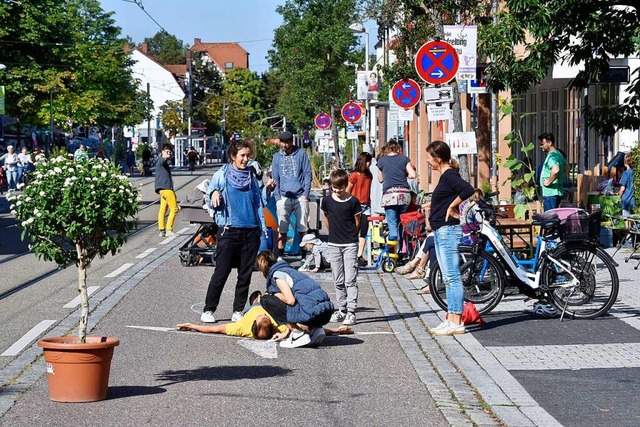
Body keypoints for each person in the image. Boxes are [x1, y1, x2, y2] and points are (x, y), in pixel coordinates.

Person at [201, 139, 266, 324]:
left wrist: (267, 190)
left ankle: (238, 310)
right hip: (229, 230)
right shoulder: (221, 175)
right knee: (221, 272)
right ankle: (209, 309)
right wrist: (214, 193)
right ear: (232, 156)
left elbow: (258, 202)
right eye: (242, 156)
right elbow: (209, 191)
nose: (246, 159)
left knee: (244, 275)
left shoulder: (252, 176)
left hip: (251, 230)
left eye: (248, 156)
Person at [425, 140, 474, 336]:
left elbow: (468, 190)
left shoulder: (450, 175)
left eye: (429, 157)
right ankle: (451, 318)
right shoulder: (445, 176)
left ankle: (456, 320)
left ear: (438, 159)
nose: (428, 161)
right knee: (448, 277)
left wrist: (452, 206)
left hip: (448, 231)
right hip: (441, 230)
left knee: (452, 277)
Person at [176, 292, 352, 341]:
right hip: (269, 303)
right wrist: (336, 330)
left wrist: (192, 325)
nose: (264, 318)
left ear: (255, 322)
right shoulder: (278, 326)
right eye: (266, 321)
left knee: (256, 298)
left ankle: (257, 298)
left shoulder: (242, 327)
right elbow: (304, 328)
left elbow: (214, 329)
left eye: (262, 320)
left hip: (253, 305)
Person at [256, 251, 335, 348]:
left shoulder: (278, 275)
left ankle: (297, 334)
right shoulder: (291, 271)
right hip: (324, 312)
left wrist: (274, 294)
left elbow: (290, 301)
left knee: (266, 299)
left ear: (262, 269)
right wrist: (285, 333)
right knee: (302, 300)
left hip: (311, 313)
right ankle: (315, 330)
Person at [321, 169, 362, 326]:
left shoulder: (353, 201)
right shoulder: (327, 201)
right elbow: (326, 217)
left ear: (346, 185)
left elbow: (357, 220)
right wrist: (331, 233)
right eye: (334, 187)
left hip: (350, 244)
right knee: (337, 279)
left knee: (350, 279)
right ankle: (341, 309)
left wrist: (353, 235)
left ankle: (351, 311)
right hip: (334, 243)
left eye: (340, 187)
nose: (337, 191)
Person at [271, 131, 312, 256]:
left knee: (302, 228)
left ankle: (304, 257)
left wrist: (305, 194)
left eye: (287, 142)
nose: (285, 145)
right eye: (282, 142)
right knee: (282, 229)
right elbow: (275, 177)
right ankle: (280, 257)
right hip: (283, 196)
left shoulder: (301, 154)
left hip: (300, 196)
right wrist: (278, 197)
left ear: (291, 142)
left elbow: (307, 174)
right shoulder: (276, 157)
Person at [377, 139, 416, 241]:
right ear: (398, 149)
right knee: (402, 221)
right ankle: (403, 247)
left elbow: (380, 179)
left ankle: (394, 246)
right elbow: (413, 174)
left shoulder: (381, 161)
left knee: (392, 222)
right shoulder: (404, 159)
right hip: (404, 194)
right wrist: (404, 176)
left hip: (389, 195)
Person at [347, 152, 373, 267]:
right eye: (369, 161)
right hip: (355, 205)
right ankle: (351, 253)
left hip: (366, 205)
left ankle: (359, 255)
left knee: (364, 230)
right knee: (354, 230)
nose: (370, 164)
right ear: (364, 161)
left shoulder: (369, 175)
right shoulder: (354, 175)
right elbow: (348, 189)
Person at [538, 132, 566, 211]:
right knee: (555, 217)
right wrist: (560, 177)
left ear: (549, 143)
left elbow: (556, 170)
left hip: (550, 193)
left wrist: (548, 182)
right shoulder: (558, 154)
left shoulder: (552, 156)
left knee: (549, 219)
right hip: (557, 191)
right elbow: (567, 168)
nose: (540, 146)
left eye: (542, 144)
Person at [155, 143, 178, 238]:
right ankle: (169, 229)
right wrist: (165, 157)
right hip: (166, 189)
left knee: (163, 209)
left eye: (170, 152)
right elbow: (162, 161)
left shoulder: (162, 162)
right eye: (167, 152)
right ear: (162, 152)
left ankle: (161, 230)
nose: (169, 154)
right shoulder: (161, 160)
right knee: (174, 209)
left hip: (161, 190)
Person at [619, 152, 635, 218]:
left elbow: (622, 188)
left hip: (626, 199)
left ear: (625, 163)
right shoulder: (635, 172)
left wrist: (619, 197)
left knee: (626, 220)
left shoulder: (625, 173)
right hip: (633, 199)